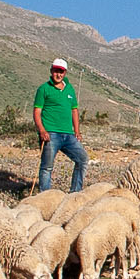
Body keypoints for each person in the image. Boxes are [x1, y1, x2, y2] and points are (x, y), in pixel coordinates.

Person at [33, 58, 87, 193]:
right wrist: (42, 130)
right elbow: (37, 111)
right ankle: (45, 197)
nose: (58, 74)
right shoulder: (44, 89)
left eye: (61, 72)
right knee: (47, 167)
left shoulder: (70, 89)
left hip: (68, 134)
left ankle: (75, 193)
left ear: (65, 73)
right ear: (51, 71)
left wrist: (77, 131)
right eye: (56, 71)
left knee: (82, 159)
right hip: (51, 134)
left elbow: (74, 110)